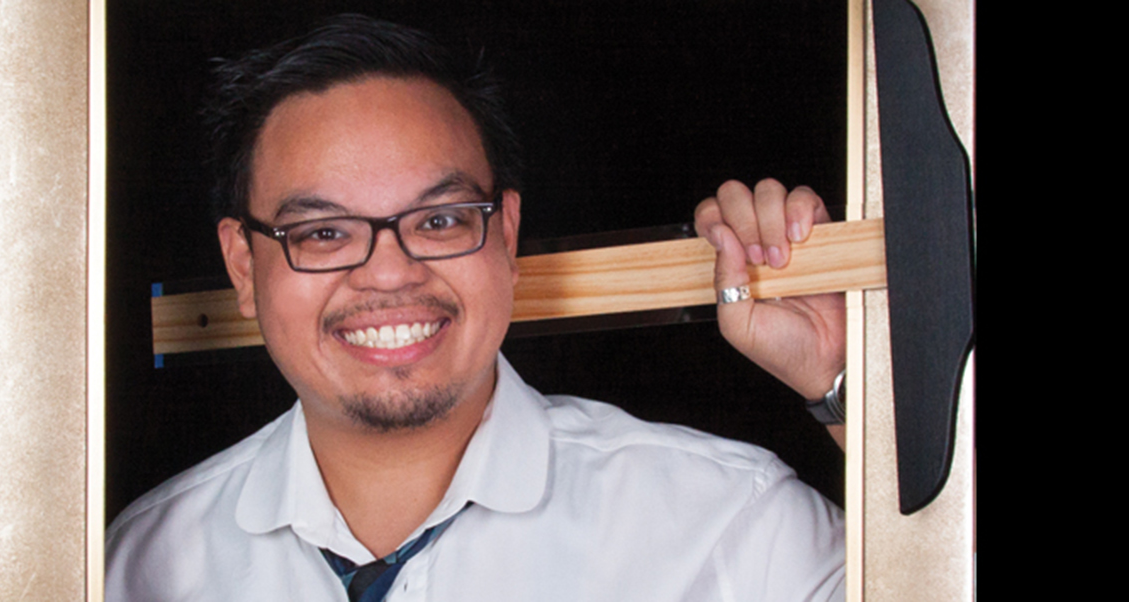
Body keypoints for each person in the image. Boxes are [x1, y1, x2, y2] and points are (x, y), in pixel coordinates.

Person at [105, 14, 849, 601]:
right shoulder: (128, 569)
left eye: (439, 221)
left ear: (507, 236)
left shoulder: (730, 524)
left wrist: (847, 383)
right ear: (243, 264)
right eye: (322, 232)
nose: (389, 273)